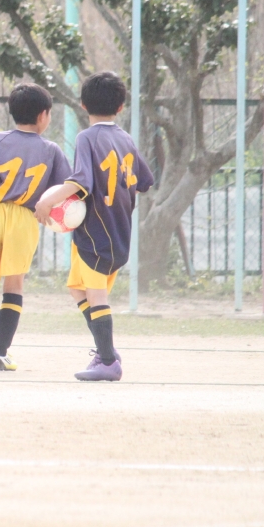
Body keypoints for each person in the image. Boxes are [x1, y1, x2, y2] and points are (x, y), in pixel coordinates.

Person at [34, 71, 155, 382]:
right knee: (77, 288)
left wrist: (47, 202)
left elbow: (81, 183)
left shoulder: (87, 137)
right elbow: (144, 181)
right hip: (118, 227)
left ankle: (107, 361)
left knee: (96, 294)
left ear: (83, 104)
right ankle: (106, 349)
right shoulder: (125, 139)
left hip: (96, 231)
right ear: (121, 107)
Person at [0, 84, 71, 373]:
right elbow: (64, 188)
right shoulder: (51, 150)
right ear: (43, 115)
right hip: (24, 218)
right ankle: (0, 353)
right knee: (14, 284)